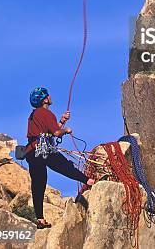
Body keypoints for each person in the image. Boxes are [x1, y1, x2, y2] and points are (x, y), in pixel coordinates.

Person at [25, 87, 95, 229]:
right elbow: (56, 133)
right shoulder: (46, 113)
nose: (50, 97)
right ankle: (89, 180)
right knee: (65, 166)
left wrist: (62, 121)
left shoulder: (35, 114)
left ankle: (40, 219)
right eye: (47, 95)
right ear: (45, 99)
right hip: (42, 149)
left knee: (38, 185)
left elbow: (49, 131)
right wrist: (66, 130)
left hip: (31, 152)